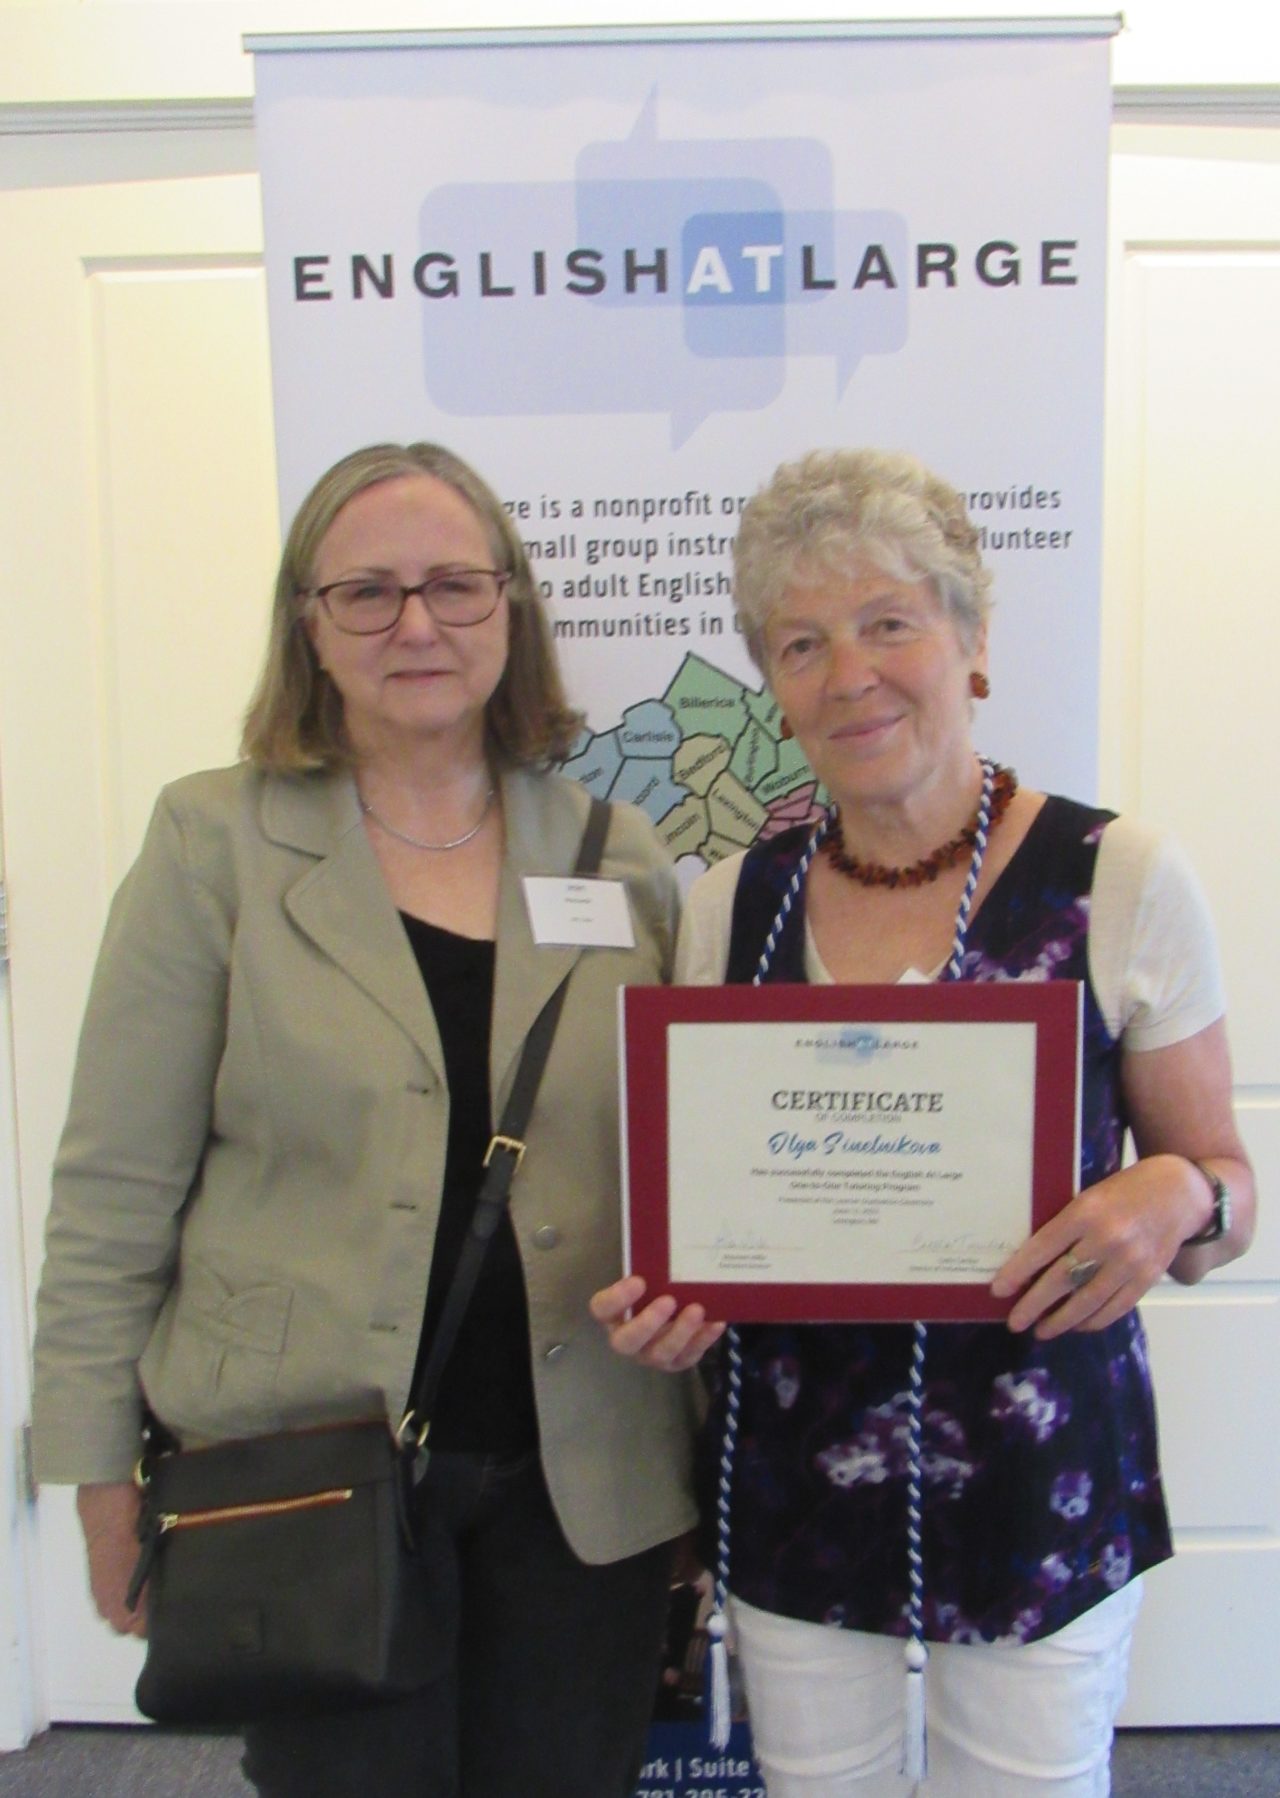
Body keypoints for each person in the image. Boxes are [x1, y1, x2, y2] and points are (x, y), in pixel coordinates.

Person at [32, 441, 700, 1798]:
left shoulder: (613, 853)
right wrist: (99, 1480)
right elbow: (114, 1190)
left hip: (587, 1478)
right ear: (308, 623)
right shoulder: (213, 844)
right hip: (304, 1476)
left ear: (509, 607)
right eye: (367, 592)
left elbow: (682, 1156)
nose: (416, 624)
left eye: (454, 584)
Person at [592, 448, 1255, 1797]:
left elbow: (1229, 1192)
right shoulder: (730, 904)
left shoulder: (1118, 876)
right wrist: (672, 1299)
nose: (851, 675)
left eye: (889, 621)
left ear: (974, 641)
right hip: (794, 1467)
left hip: (1035, 1473)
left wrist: (1181, 1195)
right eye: (802, 643)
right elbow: (711, 1193)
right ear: (773, 684)